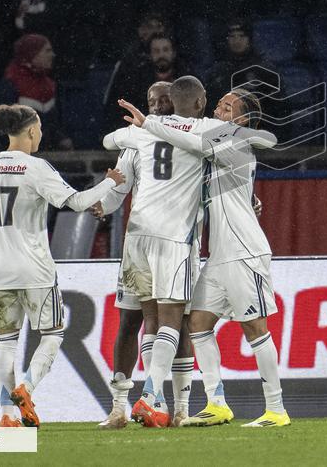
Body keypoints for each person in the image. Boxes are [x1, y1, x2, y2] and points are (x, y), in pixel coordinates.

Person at [116, 87, 288, 428]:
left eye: (227, 107)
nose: (218, 111)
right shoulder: (220, 147)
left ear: (241, 119)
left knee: (254, 328)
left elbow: (193, 143)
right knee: (197, 323)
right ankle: (217, 402)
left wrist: (148, 124)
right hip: (219, 256)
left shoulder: (232, 140)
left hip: (245, 253)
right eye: (219, 105)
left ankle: (276, 409)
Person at [0, 104, 125, 426]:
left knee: (5, 342)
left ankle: (7, 414)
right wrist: (109, 183)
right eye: (40, 129)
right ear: (32, 131)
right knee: (53, 333)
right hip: (35, 270)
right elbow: (75, 202)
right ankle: (27, 388)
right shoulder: (35, 167)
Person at [101, 76, 216, 428]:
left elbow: (108, 140)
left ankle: (171, 405)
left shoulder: (140, 132)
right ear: (199, 102)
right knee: (161, 320)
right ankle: (147, 398)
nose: (156, 104)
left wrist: (136, 128)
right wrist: (104, 202)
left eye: (163, 98)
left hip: (140, 237)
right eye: (151, 99)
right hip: (172, 239)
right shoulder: (205, 131)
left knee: (158, 321)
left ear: (175, 100)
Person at [4, 33, 72, 150]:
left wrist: (62, 139)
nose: (52, 55)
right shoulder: (11, 83)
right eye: (47, 51)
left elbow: (54, 125)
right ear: (33, 54)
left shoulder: (51, 85)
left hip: (48, 153)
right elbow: (5, 127)